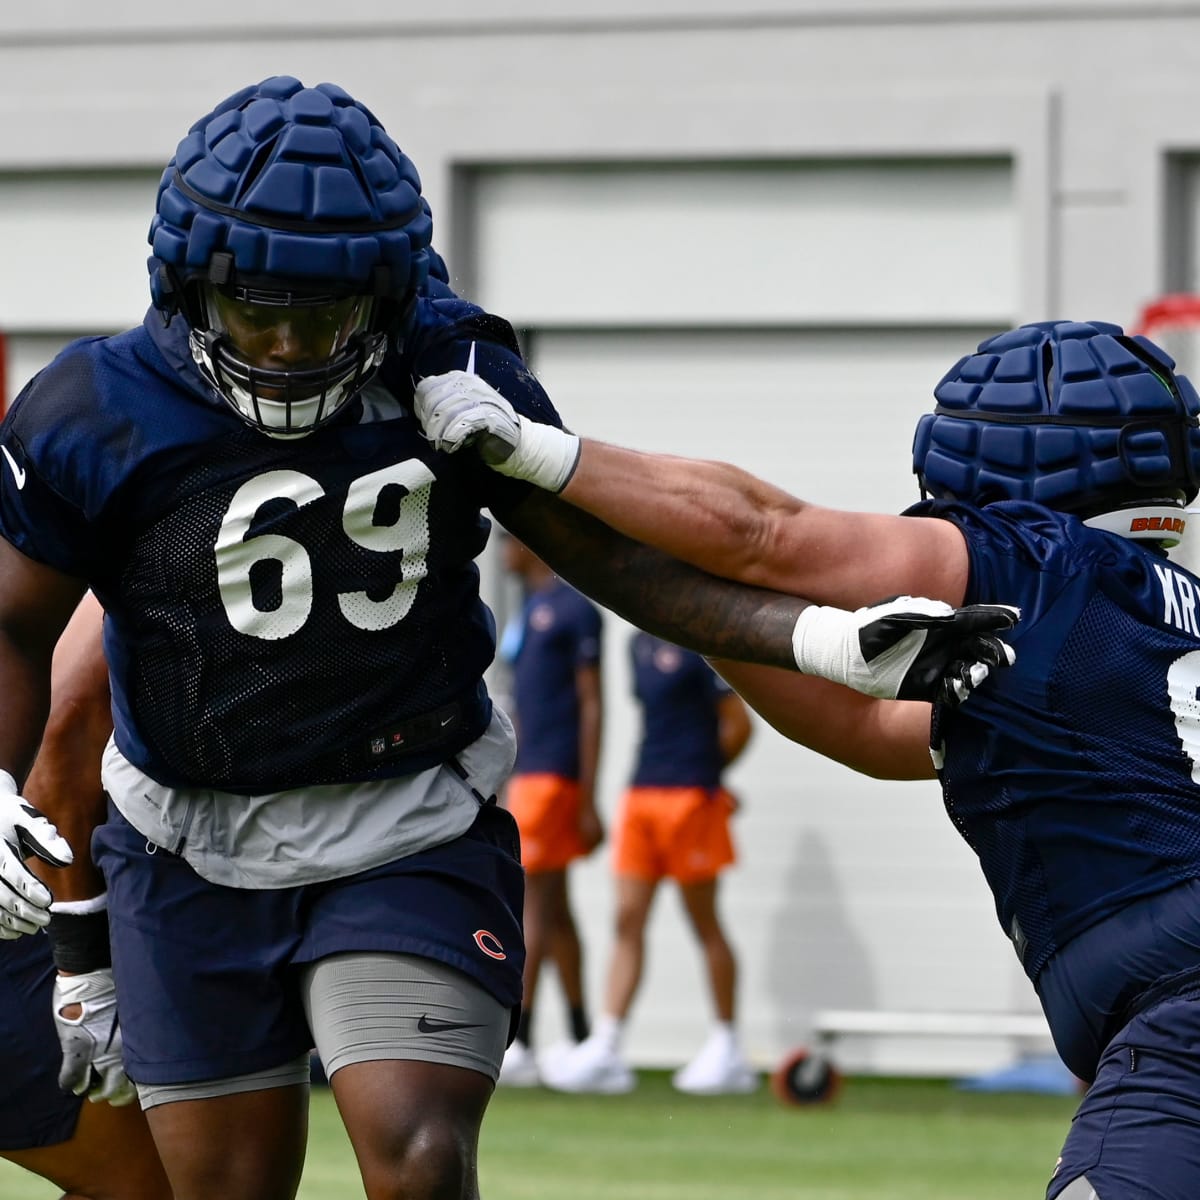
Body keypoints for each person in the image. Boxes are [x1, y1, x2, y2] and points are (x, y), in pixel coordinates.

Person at [0, 75, 1014, 1200]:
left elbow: (617, 561)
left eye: (324, 318)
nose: (287, 349)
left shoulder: (451, 369)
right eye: (256, 315)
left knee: (421, 1157)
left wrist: (820, 637)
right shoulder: (94, 411)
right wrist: (62, 911)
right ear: (184, 292)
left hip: (406, 820)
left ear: (384, 301)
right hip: (187, 840)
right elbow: (22, 632)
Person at [415, 315, 1200, 1198]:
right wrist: (700, 613)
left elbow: (765, 531)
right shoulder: (1134, 622)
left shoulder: (1043, 565)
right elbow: (864, 734)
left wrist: (536, 453)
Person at [1, 592, 170, 1199]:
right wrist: (81, 962)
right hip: (24, 911)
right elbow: (64, 720)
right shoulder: (122, 509)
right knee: (167, 1182)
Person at [545, 633, 755, 1096]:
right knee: (627, 919)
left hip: (691, 797)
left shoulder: (706, 639)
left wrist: (708, 775)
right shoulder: (637, 643)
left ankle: (727, 1046)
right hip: (642, 792)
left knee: (704, 922)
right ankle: (607, 1044)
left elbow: (739, 724)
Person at [496, 534, 604, 1086]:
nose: (500, 551)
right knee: (554, 908)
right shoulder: (530, 609)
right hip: (530, 774)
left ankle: (524, 1038)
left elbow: (592, 703)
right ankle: (585, 1038)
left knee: (531, 904)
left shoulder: (571, 609)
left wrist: (586, 792)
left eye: (505, 541)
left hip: (554, 775)